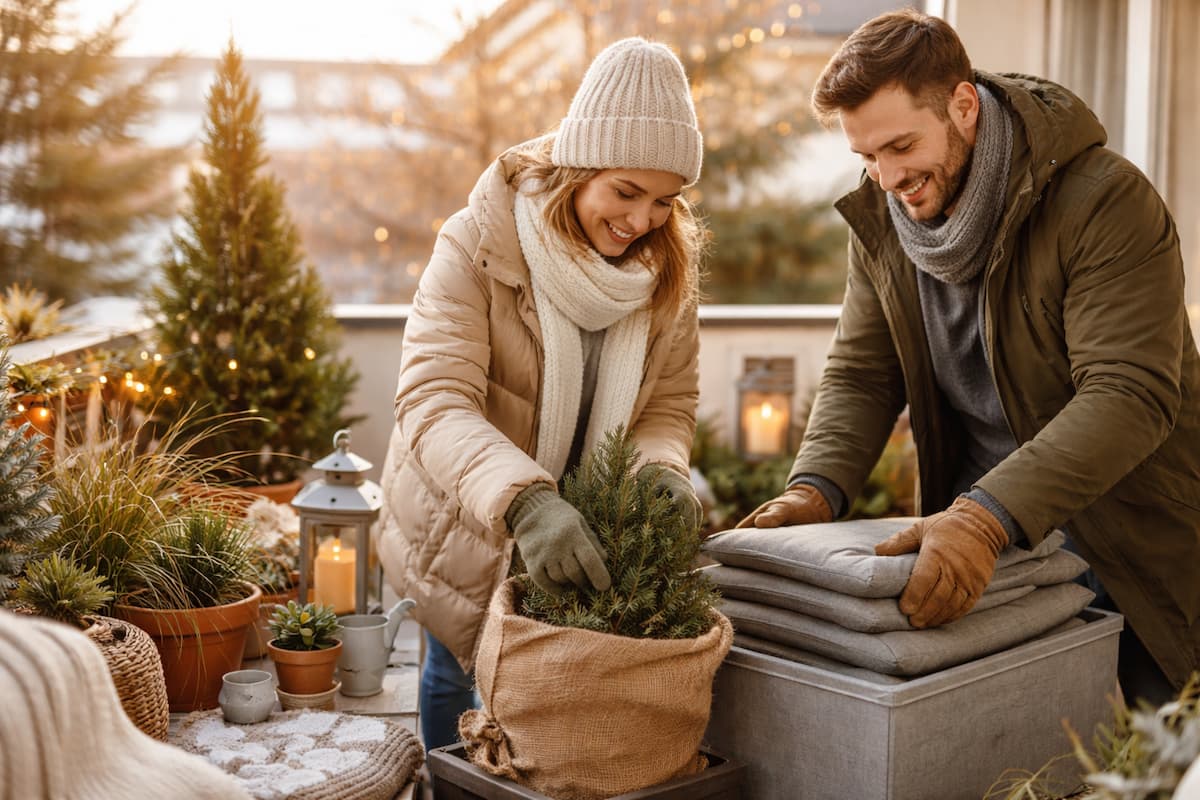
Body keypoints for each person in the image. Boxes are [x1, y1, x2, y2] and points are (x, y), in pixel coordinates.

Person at [741, 9, 1199, 706]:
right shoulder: (886, 216)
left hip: (1125, 536)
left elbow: (1129, 394)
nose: (888, 177)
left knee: (1140, 755)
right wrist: (815, 490)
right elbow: (864, 372)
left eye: (900, 146)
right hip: (989, 543)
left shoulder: (1105, 200)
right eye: (866, 156)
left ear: (962, 105)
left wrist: (986, 516)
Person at [376, 37, 707, 750]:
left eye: (664, 200)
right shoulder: (478, 245)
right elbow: (434, 399)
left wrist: (660, 472)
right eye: (625, 191)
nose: (642, 220)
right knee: (453, 669)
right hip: (463, 513)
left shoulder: (666, 275)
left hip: (579, 522)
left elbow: (665, 408)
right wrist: (524, 499)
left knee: (554, 690)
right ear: (575, 169)